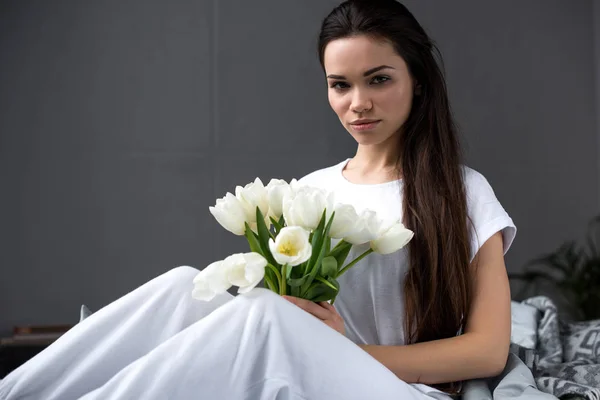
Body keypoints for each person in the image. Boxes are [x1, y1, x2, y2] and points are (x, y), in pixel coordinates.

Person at [0, 0, 516, 399]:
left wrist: (349, 352)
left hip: (398, 388)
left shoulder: (461, 190)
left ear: (418, 82)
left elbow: (488, 350)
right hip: (313, 375)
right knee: (186, 284)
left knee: (265, 319)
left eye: (379, 79)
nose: (358, 103)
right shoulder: (312, 191)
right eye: (340, 85)